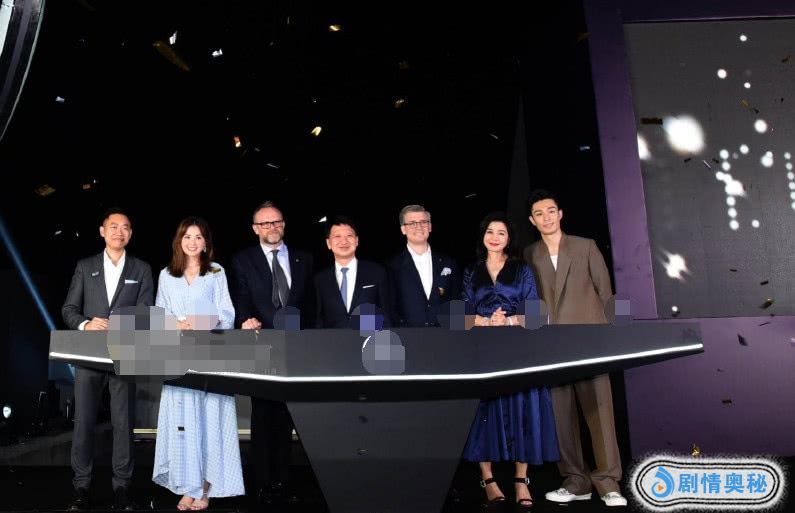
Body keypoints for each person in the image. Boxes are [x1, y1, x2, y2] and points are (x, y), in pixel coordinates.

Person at [524, 189, 627, 507]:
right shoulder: (529, 254)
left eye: (550, 211)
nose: (546, 218)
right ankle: (575, 481)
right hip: (553, 349)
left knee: (600, 413)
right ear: (532, 220)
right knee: (561, 418)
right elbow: (530, 301)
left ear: (560, 213)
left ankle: (608, 482)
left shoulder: (586, 246)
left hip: (589, 344)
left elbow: (607, 292)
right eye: (539, 214)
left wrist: (618, 335)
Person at [461, 212, 559, 510]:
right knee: (483, 411)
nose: (494, 237)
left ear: (509, 239)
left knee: (523, 408)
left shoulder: (522, 270)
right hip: (481, 349)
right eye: (490, 232)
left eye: (501, 233)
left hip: (518, 348)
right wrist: (483, 321)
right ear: (483, 236)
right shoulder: (471, 271)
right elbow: (458, 316)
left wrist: (509, 320)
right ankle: (488, 479)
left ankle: (520, 479)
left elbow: (537, 314)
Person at [62, 207, 154, 511]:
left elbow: (146, 312)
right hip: (89, 356)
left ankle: (122, 488)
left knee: (123, 423)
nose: (119, 232)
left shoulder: (141, 269)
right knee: (84, 422)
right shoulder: (85, 266)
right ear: (102, 231)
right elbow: (69, 310)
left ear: (131, 233)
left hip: (126, 354)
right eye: (113, 226)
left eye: (125, 227)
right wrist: (86, 324)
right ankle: (81, 487)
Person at [151, 217, 244, 510]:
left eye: (198, 237)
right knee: (183, 422)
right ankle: (187, 485)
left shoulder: (216, 272)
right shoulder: (167, 274)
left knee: (209, 420)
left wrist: (202, 321)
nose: (192, 242)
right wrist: (177, 324)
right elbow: (159, 316)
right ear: (179, 241)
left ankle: (204, 487)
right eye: (187, 237)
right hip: (178, 354)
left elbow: (227, 314)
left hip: (210, 353)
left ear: (206, 243)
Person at [230, 201, 314, 505]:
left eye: (276, 222)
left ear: (284, 224)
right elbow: (241, 297)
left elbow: (311, 302)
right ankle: (264, 483)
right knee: (263, 415)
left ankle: (286, 480)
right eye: (265, 223)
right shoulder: (243, 260)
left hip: (296, 346)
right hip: (261, 343)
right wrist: (244, 319)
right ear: (255, 229)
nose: (272, 227)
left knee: (289, 414)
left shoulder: (305, 259)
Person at [386, 204, 459, 327]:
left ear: (430, 226)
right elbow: (390, 307)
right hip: (408, 335)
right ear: (403, 229)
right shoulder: (391, 266)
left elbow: (456, 300)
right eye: (412, 223)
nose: (419, 227)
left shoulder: (448, 262)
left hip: (444, 334)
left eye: (423, 222)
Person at [315, 216, 390, 328]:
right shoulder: (320, 279)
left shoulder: (376, 272)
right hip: (333, 338)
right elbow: (319, 320)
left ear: (356, 240)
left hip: (370, 337)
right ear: (328, 243)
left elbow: (387, 314)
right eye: (337, 236)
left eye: (349, 236)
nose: (344, 241)